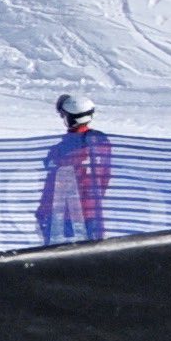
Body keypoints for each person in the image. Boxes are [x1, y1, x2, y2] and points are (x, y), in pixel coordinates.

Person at [37, 92, 112, 244]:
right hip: (92, 213)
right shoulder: (102, 144)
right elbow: (105, 178)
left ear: (68, 118)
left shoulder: (60, 151)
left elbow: (53, 186)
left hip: (62, 217)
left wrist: (42, 212)